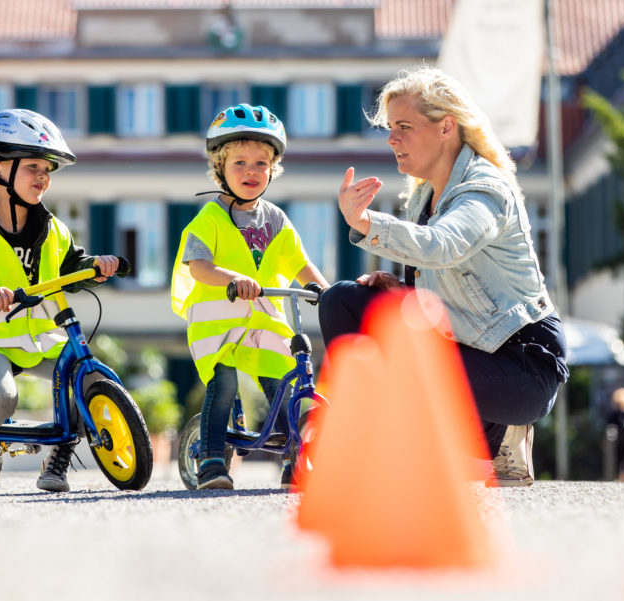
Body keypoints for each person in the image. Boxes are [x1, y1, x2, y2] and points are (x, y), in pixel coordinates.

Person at [318, 66, 569, 486]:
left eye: (403, 126)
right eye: (389, 128)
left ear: (445, 127)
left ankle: (494, 433)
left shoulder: (485, 189)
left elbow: (443, 245)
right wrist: (406, 290)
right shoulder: (423, 196)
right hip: (464, 347)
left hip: (521, 365)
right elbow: (446, 276)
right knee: (342, 301)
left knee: (409, 371)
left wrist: (365, 223)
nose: (391, 139)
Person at [0, 109, 120, 496]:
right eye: (33, 167)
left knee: (89, 378)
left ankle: (59, 457)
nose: (44, 177)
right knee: (4, 396)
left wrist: (95, 267)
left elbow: (71, 267)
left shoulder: (54, 229)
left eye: (48, 169)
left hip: (40, 337)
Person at [171, 103, 329, 491]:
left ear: (273, 169)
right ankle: (210, 459)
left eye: (261, 163)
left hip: (264, 317)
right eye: (239, 163)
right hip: (218, 321)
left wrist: (327, 292)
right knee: (222, 385)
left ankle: (295, 458)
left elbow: (300, 264)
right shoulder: (209, 218)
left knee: (282, 383)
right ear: (220, 169)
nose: (251, 172)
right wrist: (233, 278)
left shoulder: (276, 219)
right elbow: (198, 266)